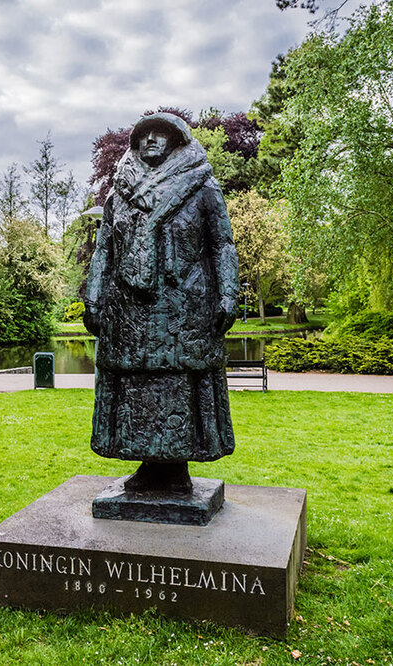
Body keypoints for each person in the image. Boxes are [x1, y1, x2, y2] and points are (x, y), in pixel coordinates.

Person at [84, 112, 239, 494]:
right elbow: (105, 247)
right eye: (144, 134)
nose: (151, 139)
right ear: (135, 143)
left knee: (179, 381)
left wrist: (229, 292)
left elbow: (222, 244)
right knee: (135, 383)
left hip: (185, 307)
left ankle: (176, 469)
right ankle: (148, 467)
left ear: (178, 142)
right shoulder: (119, 193)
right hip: (129, 309)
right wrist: (93, 296)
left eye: (161, 134)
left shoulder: (202, 187)